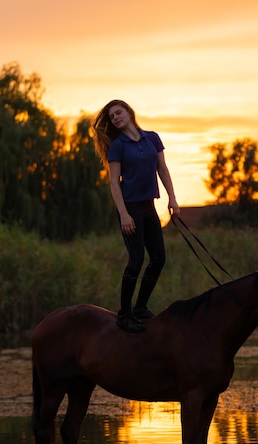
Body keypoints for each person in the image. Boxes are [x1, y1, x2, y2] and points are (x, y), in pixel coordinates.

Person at [92, 100, 180, 333]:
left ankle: (140, 307)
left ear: (129, 112)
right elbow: (113, 183)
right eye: (111, 117)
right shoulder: (117, 146)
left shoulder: (152, 138)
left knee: (159, 259)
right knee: (136, 260)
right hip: (130, 208)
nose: (116, 118)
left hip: (149, 206)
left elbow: (162, 169)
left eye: (118, 112)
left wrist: (172, 198)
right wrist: (123, 215)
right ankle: (124, 314)